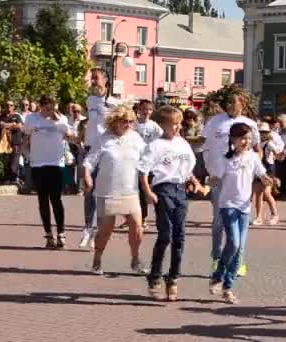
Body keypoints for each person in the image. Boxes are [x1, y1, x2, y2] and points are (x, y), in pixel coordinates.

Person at [139, 105, 204, 301]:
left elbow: (187, 168)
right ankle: (155, 276)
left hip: (180, 190)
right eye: (173, 124)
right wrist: (148, 192)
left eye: (179, 123)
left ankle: (173, 277)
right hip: (163, 189)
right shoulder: (155, 145)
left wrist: (194, 181)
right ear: (162, 125)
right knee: (165, 235)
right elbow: (143, 171)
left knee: (180, 237)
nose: (177, 128)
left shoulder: (182, 143)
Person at [208, 122, 272, 304]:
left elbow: (261, 173)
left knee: (240, 250)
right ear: (233, 140)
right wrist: (206, 182)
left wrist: (267, 179)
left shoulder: (252, 157)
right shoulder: (225, 160)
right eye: (243, 138)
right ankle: (218, 275)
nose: (246, 141)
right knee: (234, 244)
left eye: (249, 138)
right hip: (228, 205)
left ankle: (227, 287)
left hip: (244, 207)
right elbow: (214, 179)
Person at [83, 105, 149, 275]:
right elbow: (89, 161)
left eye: (130, 122)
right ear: (114, 122)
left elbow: (147, 157)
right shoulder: (104, 139)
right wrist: (87, 176)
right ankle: (97, 259)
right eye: (124, 122)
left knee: (137, 227)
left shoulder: (135, 138)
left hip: (130, 190)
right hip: (107, 191)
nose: (128, 125)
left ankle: (136, 260)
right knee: (105, 230)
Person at [201, 87, 260, 274]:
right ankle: (217, 258)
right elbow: (203, 144)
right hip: (219, 176)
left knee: (241, 220)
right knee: (218, 219)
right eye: (227, 103)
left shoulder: (249, 123)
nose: (229, 106)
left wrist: (258, 170)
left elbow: (256, 148)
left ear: (242, 105)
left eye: (233, 103)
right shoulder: (214, 122)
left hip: (239, 177)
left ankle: (238, 261)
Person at [23, 95, 71, 249]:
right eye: (46, 107)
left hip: (56, 164)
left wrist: (55, 117)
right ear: (40, 106)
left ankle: (61, 233)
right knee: (42, 200)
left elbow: (68, 132)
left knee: (56, 199)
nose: (49, 110)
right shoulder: (32, 119)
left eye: (52, 107)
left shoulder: (61, 119)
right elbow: (26, 135)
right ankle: (48, 233)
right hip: (38, 164)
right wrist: (27, 156)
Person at [79, 68, 115, 248]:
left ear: (106, 80)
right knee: (88, 191)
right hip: (89, 148)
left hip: (105, 151)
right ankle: (87, 227)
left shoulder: (114, 103)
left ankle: (98, 232)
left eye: (96, 78)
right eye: (91, 77)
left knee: (102, 194)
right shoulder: (90, 100)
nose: (92, 81)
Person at [135, 99, 164, 230]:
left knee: (152, 191)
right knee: (137, 192)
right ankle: (139, 218)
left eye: (149, 109)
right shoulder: (133, 125)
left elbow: (164, 138)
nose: (146, 112)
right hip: (135, 162)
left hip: (150, 163)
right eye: (144, 109)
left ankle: (158, 218)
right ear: (138, 110)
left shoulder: (154, 126)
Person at [252, 122, 280, 225]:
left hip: (268, 171)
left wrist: (279, 154)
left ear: (268, 133)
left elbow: (278, 155)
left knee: (267, 194)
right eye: (260, 132)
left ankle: (274, 215)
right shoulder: (257, 145)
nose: (262, 134)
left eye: (264, 132)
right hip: (258, 170)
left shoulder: (269, 144)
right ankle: (259, 217)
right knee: (258, 194)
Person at [3, 100, 25, 183]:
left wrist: (7, 126)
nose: (9, 107)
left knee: (15, 160)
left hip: (16, 141)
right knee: (7, 160)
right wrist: (12, 124)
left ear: (13, 107)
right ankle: (8, 178)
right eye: (7, 105)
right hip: (6, 142)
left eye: (11, 105)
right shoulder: (3, 116)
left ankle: (14, 178)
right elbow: (1, 124)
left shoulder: (17, 116)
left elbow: (19, 125)